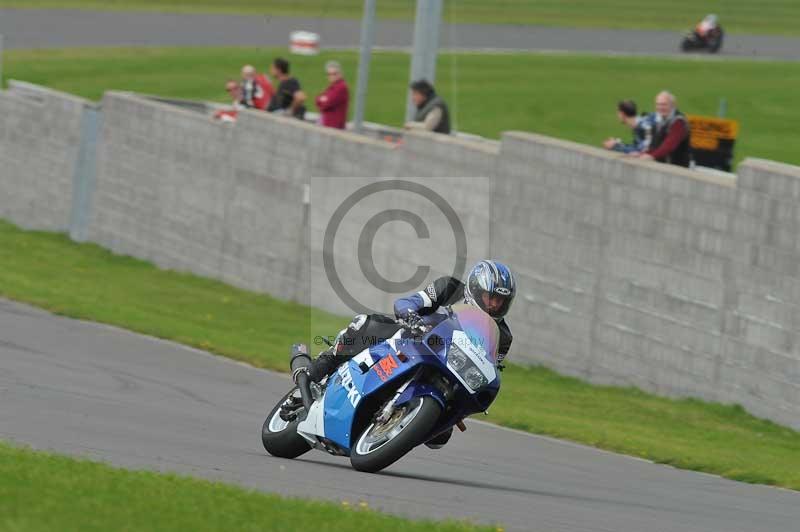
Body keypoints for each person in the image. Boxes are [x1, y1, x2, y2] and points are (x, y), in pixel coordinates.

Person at [292, 260, 515, 448]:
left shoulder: (503, 336)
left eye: (501, 301)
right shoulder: (449, 288)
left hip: (448, 368)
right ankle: (314, 371)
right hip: (411, 340)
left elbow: (487, 367)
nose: (494, 305)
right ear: (475, 289)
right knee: (365, 326)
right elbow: (410, 302)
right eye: (490, 297)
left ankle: (396, 423)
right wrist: (410, 315)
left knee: (441, 437)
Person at [638, 91, 692, 167]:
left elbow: (669, 144)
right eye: (658, 104)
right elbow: (654, 144)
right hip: (664, 166)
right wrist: (642, 154)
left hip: (677, 168)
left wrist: (652, 156)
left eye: (664, 104)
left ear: (673, 105)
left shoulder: (679, 122)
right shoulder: (661, 120)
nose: (660, 107)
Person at [315, 60, 349, 129]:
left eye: (334, 74)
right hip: (327, 124)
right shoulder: (332, 86)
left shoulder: (341, 87)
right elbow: (317, 99)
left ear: (340, 74)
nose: (331, 76)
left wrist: (323, 100)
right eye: (329, 74)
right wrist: (322, 100)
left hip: (334, 126)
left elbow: (327, 103)